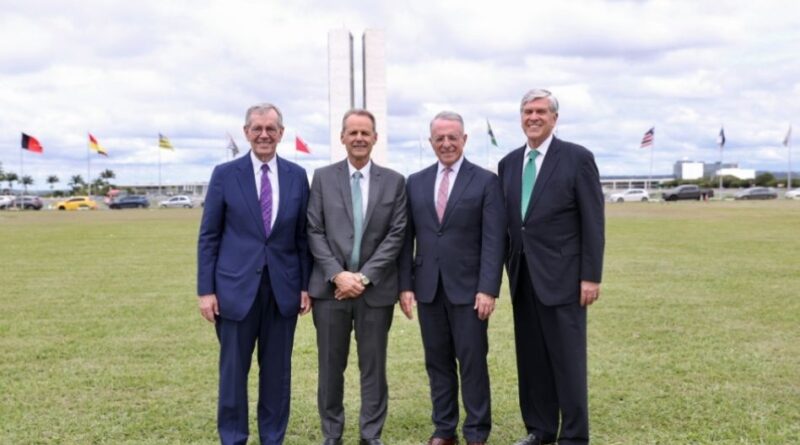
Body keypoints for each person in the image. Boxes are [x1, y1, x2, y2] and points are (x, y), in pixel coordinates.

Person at [197, 103, 312, 445]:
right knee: (233, 374)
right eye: (257, 128)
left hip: (283, 291)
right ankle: (233, 438)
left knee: (277, 374)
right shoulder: (224, 174)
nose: (264, 134)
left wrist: (305, 285)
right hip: (234, 292)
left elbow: (303, 237)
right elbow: (209, 236)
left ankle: (272, 438)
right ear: (246, 132)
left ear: (281, 133)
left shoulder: (297, 176)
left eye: (270, 129)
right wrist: (206, 291)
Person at [497, 89, 605, 445]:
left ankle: (573, 436)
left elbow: (593, 222)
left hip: (564, 279)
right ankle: (540, 429)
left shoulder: (577, 158)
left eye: (541, 111)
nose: (533, 117)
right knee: (531, 360)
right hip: (523, 277)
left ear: (554, 118)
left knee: (567, 361)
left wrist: (591, 276)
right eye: (528, 111)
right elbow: (511, 224)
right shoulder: (508, 164)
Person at [398, 111, 506, 445]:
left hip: (470, 291)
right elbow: (406, 239)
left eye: (452, 137)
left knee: (472, 362)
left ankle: (476, 431)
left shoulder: (485, 181)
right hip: (428, 288)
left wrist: (488, 288)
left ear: (464, 140)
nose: (446, 144)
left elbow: (494, 240)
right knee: (437, 362)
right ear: (431, 141)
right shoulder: (415, 182)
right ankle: (444, 430)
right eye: (439, 138)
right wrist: (405, 285)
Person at [306, 109, 407, 445]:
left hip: (375, 293)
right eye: (353, 132)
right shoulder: (322, 178)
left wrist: (363, 278)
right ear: (342, 137)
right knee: (330, 368)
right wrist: (338, 275)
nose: (359, 138)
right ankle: (332, 434)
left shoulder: (394, 181)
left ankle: (370, 435)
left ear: (375, 138)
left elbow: (397, 234)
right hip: (330, 292)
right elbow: (314, 230)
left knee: (373, 368)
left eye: (365, 133)